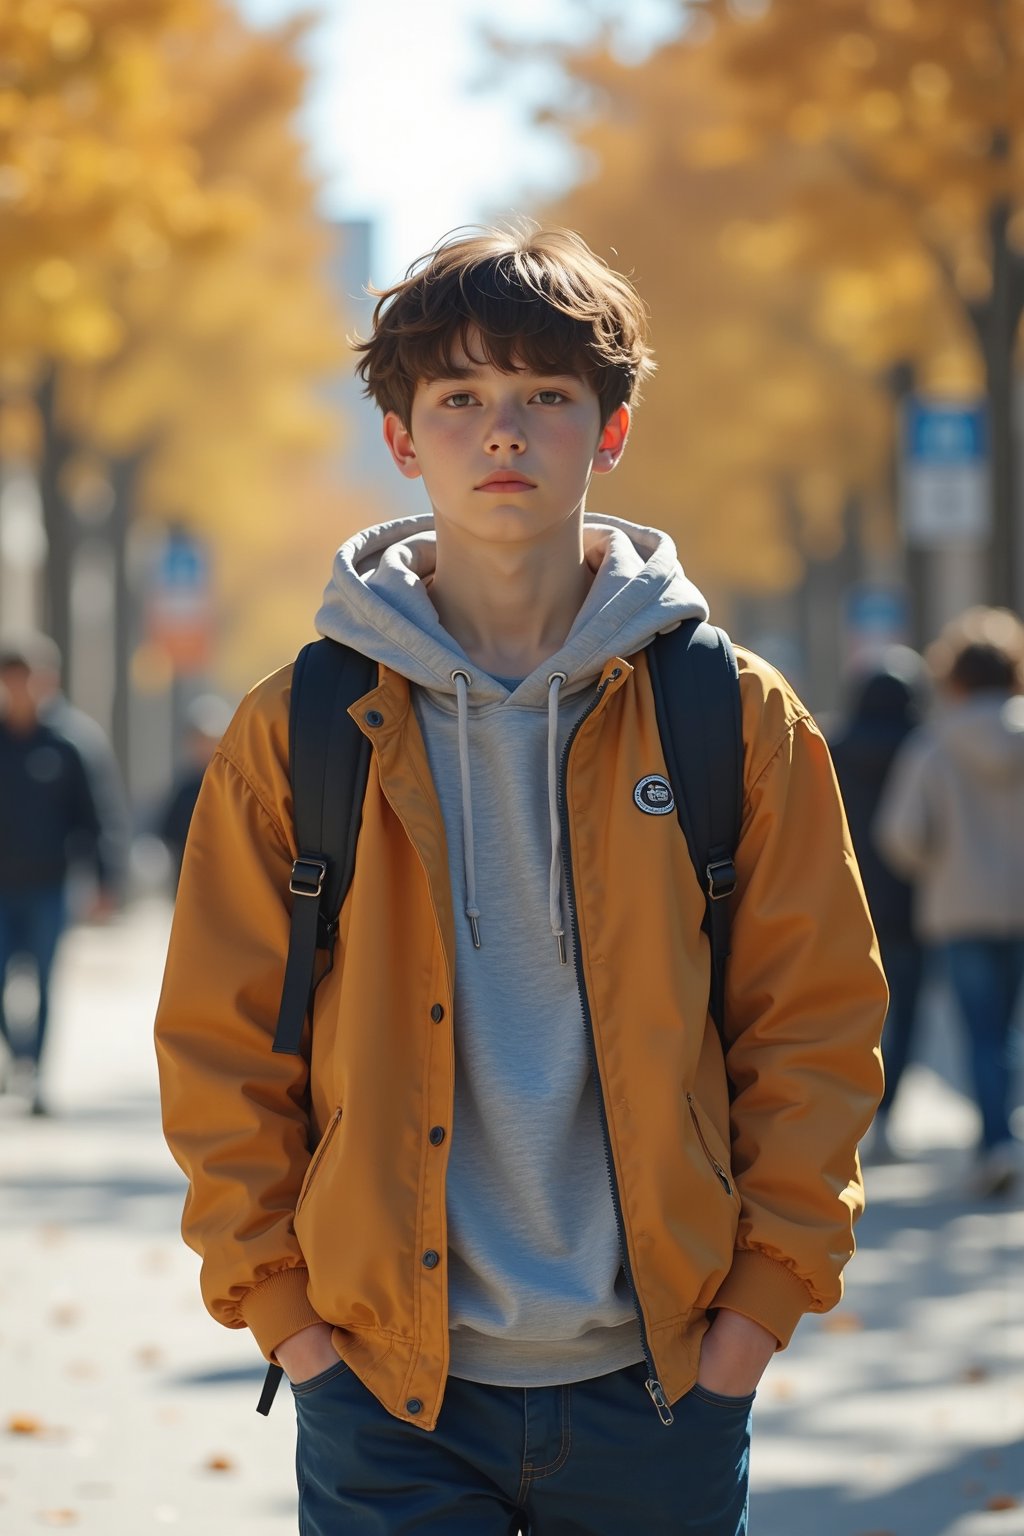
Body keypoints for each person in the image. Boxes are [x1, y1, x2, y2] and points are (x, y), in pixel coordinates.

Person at [154, 225, 887, 1536]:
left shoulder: (735, 717)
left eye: (547, 396)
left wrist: (753, 1323)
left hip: (663, 1384)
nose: (505, 432)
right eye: (462, 399)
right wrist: (290, 1323)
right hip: (385, 1391)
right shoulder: (298, 728)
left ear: (609, 432)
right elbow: (219, 1050)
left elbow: (815, 1022)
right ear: (400, 436)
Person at [876, 607, 1024, 1198]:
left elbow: (900, 834)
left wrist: (938, 865)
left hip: (959, 907)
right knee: (1011, 1029)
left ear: (954, 677)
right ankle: (1002, 1135)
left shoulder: (934, 744)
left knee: (981, 1031)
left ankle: (995, 1143)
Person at [0, 639, 114, 1115]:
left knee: (45, 981)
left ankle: (37, 1074)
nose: (20, 688)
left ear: (47, 681)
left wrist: (107, 880)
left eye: (29, 677)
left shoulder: (71, 743)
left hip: (50, 886)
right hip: (2, 889)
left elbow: (97, 817)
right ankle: (18, 1056)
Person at [829, 648, 928, 1160]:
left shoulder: (832, 747)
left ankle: (854, 1115)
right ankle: (889, 1116)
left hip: (846, 902)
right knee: (905, 1012)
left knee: (849, 1014)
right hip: (915, 903)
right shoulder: (922, 747)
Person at [157, 693, 234, 887]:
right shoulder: (185, 788)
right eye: (199, 740)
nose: (204, 747)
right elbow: (169, 832)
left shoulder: (234, 786)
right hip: (189, 879)